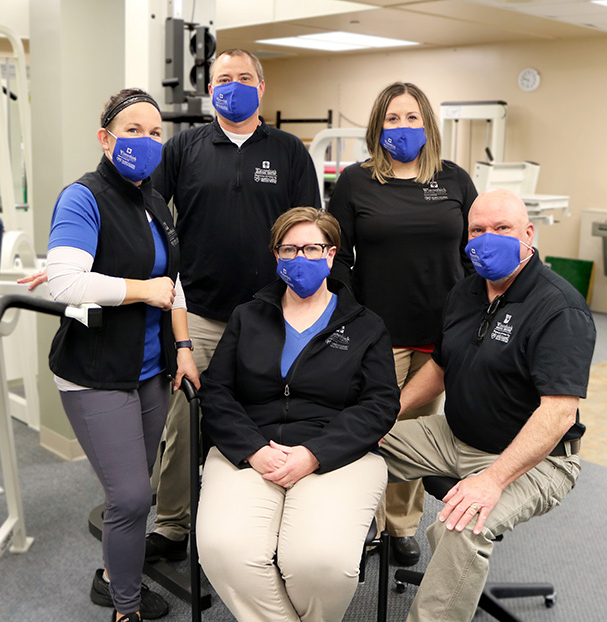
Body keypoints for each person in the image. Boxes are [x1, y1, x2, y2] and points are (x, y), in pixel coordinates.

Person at [379, 188, 595, 622]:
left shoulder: (559, 309)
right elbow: (439, 367)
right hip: (453, 434)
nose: (486, 238)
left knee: (460, 528)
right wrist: (387, 412)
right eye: (477, 230)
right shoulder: (466, 292)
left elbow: (557, 413)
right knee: (360, 441)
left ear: (528, 235)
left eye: (501, 228)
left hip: (536, 459)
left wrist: (492, 480)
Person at [145, 48, 322, 562]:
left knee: (269, 419)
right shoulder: (183, 148)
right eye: (224, 78)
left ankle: (263, 525)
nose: (234, 85)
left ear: (261, 88)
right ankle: (173, 523)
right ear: (211, 88)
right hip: (198, 312)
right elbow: (149, 213)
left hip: (271, 316)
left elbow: (306, 229)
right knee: (184, 424)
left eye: (244, 78)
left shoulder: (289, 151)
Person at [196, 207, 399, 622]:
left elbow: (380, 404)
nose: (299, 258)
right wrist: (253, 449)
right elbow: (217, 392)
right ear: (276, 255)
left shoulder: (365, 326)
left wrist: (315, 453)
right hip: (251, 448)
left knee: (321, 563)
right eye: (289, 249)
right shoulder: (247, 316)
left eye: (311, 248)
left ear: (331, 254)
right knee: (223, 549)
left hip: (335, 455)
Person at [45, 88, 198, 622]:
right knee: (132, 497)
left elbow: (172, 286)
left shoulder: (156, 202)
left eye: (156, 132)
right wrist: (140, 289)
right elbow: (63, 283)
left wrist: (183, 346)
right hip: (95, 373)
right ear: (105, 137)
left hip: (153, 369)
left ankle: (113, 571)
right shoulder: (82, 196)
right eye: (133, 130)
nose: (147, 140)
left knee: (140, 487)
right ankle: (123, 607)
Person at [327, 81, 478, 566]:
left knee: (420, 431)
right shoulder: (355, 181)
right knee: (373, 425)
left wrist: (469, 317)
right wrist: (353, 313)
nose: (403, 126)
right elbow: (338, 256)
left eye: (412, 117)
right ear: (377, 125)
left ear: (428, 125)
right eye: (392, 118)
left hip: (440, 335)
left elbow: (472, 254)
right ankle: (359, 522)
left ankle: (400, 526)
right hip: (378, 332)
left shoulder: (454, 180)